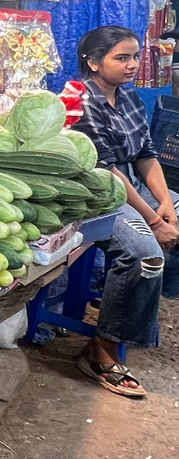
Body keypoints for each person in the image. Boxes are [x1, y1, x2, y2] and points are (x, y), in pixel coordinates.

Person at [73, 26, 179, 398]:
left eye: (135, 56)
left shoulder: (130, 99)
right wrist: (153, 221)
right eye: (122, 57)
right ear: (92, 62)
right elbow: (108, 171)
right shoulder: (79, 101)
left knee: (171, 225)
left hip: (132, 188)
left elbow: (146, 156)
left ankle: (128, 302)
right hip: (100, 196)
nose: (133, 65)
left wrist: (166, 205)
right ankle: (100, 349)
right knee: (145, 254)